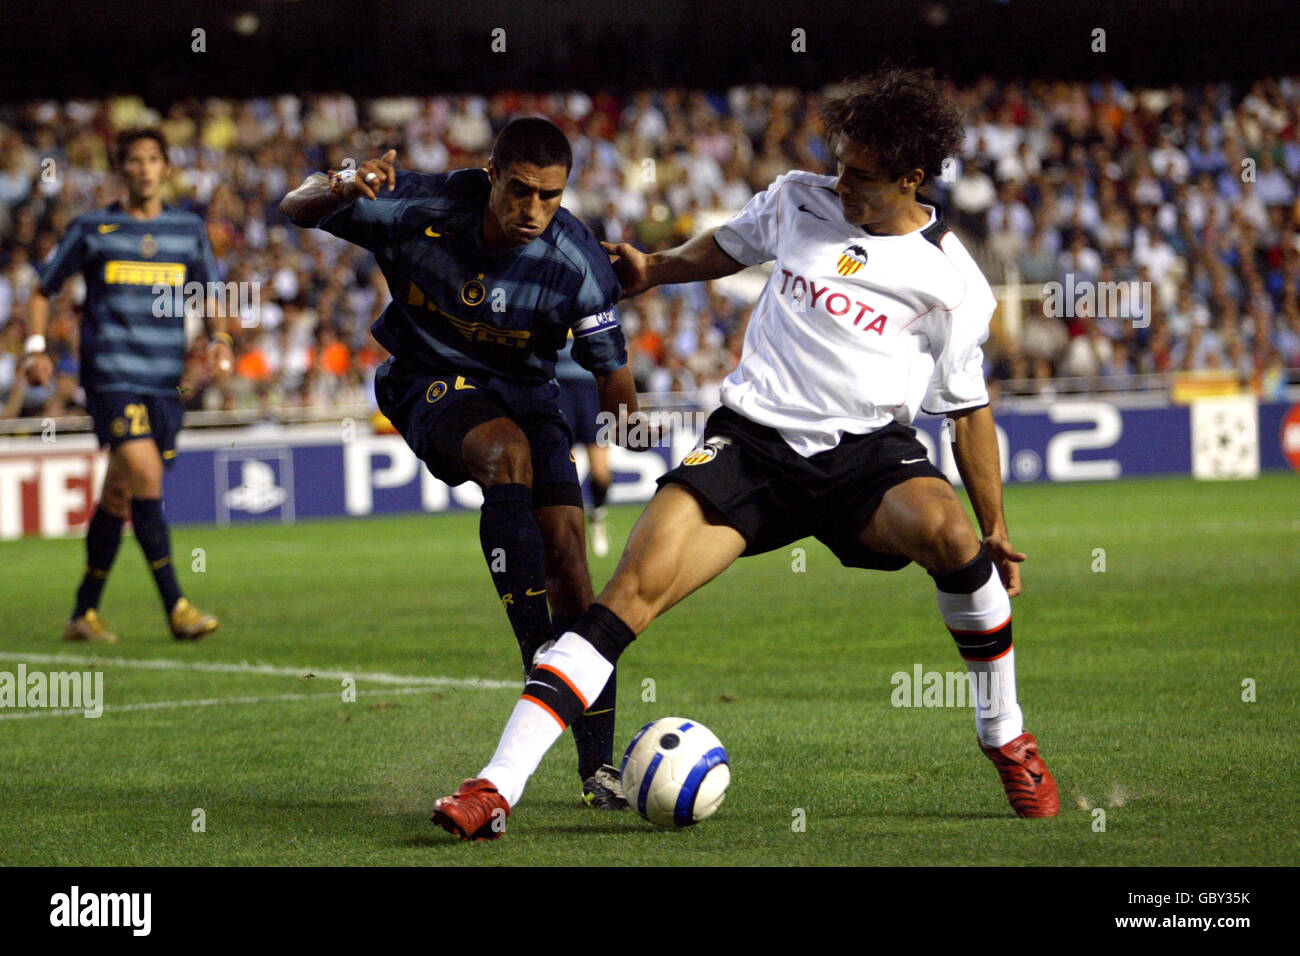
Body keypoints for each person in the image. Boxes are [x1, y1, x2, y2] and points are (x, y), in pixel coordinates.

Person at [430, 69, 1058, 841]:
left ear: (911, 177)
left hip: (865, 460)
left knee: (956, 541)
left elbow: (968, 411)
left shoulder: (952, 278)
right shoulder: (799, 199)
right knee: (623, 598)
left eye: (860, 176)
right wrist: (655, 269)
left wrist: (997, 525)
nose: (841, 183)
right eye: (839, 164)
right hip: (749, 448)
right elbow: (728, 247)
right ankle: (494, 788)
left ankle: (1005, 736)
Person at [280, 118, 654, 809]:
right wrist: (339, 182)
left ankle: (598, 769)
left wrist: (637, 427)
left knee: (569, 552)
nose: (533, 210)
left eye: (549, 196)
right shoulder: (417, 205)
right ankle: (538, 652)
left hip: (528, 394)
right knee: (504, 455)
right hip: (426, 376)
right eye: (519, 191)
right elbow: (294, 207)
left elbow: (615, 384)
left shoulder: (577, 260)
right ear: (492, 174)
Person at [25, 129, 227, 643]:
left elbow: (212, 292)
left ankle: (83, 613)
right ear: (122, 169)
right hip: (111, 377)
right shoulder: (95, 227)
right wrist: (34, 348)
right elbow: (43, 290)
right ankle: (177, 606)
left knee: (118, 494)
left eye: (153, 159)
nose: (143, 169)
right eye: (133, 160)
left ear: (166, 168)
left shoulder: (187, 229)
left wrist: (221, 339)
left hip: (165, 383)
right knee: (146, 475)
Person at [555, 334, 613, 556]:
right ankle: (571, 531)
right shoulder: (552, 301)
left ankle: (597, 515)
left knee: (601, 474)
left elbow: (610, 343)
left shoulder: (596, 301)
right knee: (567, 471)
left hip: (592, 390)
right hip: (559, 388)